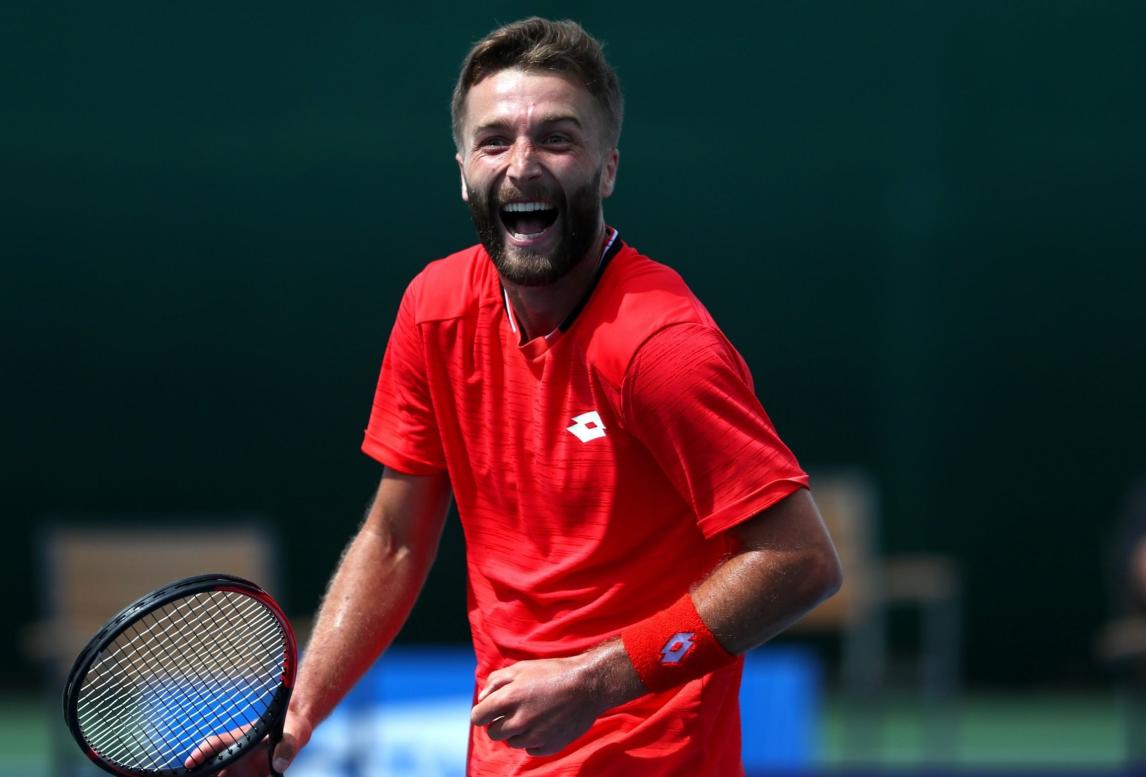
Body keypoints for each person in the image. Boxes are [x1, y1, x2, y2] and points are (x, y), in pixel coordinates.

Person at [220, 16, 842, 776]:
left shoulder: (660, 345)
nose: (522, 165)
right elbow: (395, 538)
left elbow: (801, 559)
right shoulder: (434, 307)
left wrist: (599, 677)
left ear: (607, 168)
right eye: (494, 141)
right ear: (461, 170)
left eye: (556, 138)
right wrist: (297, 715)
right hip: (505, 755)